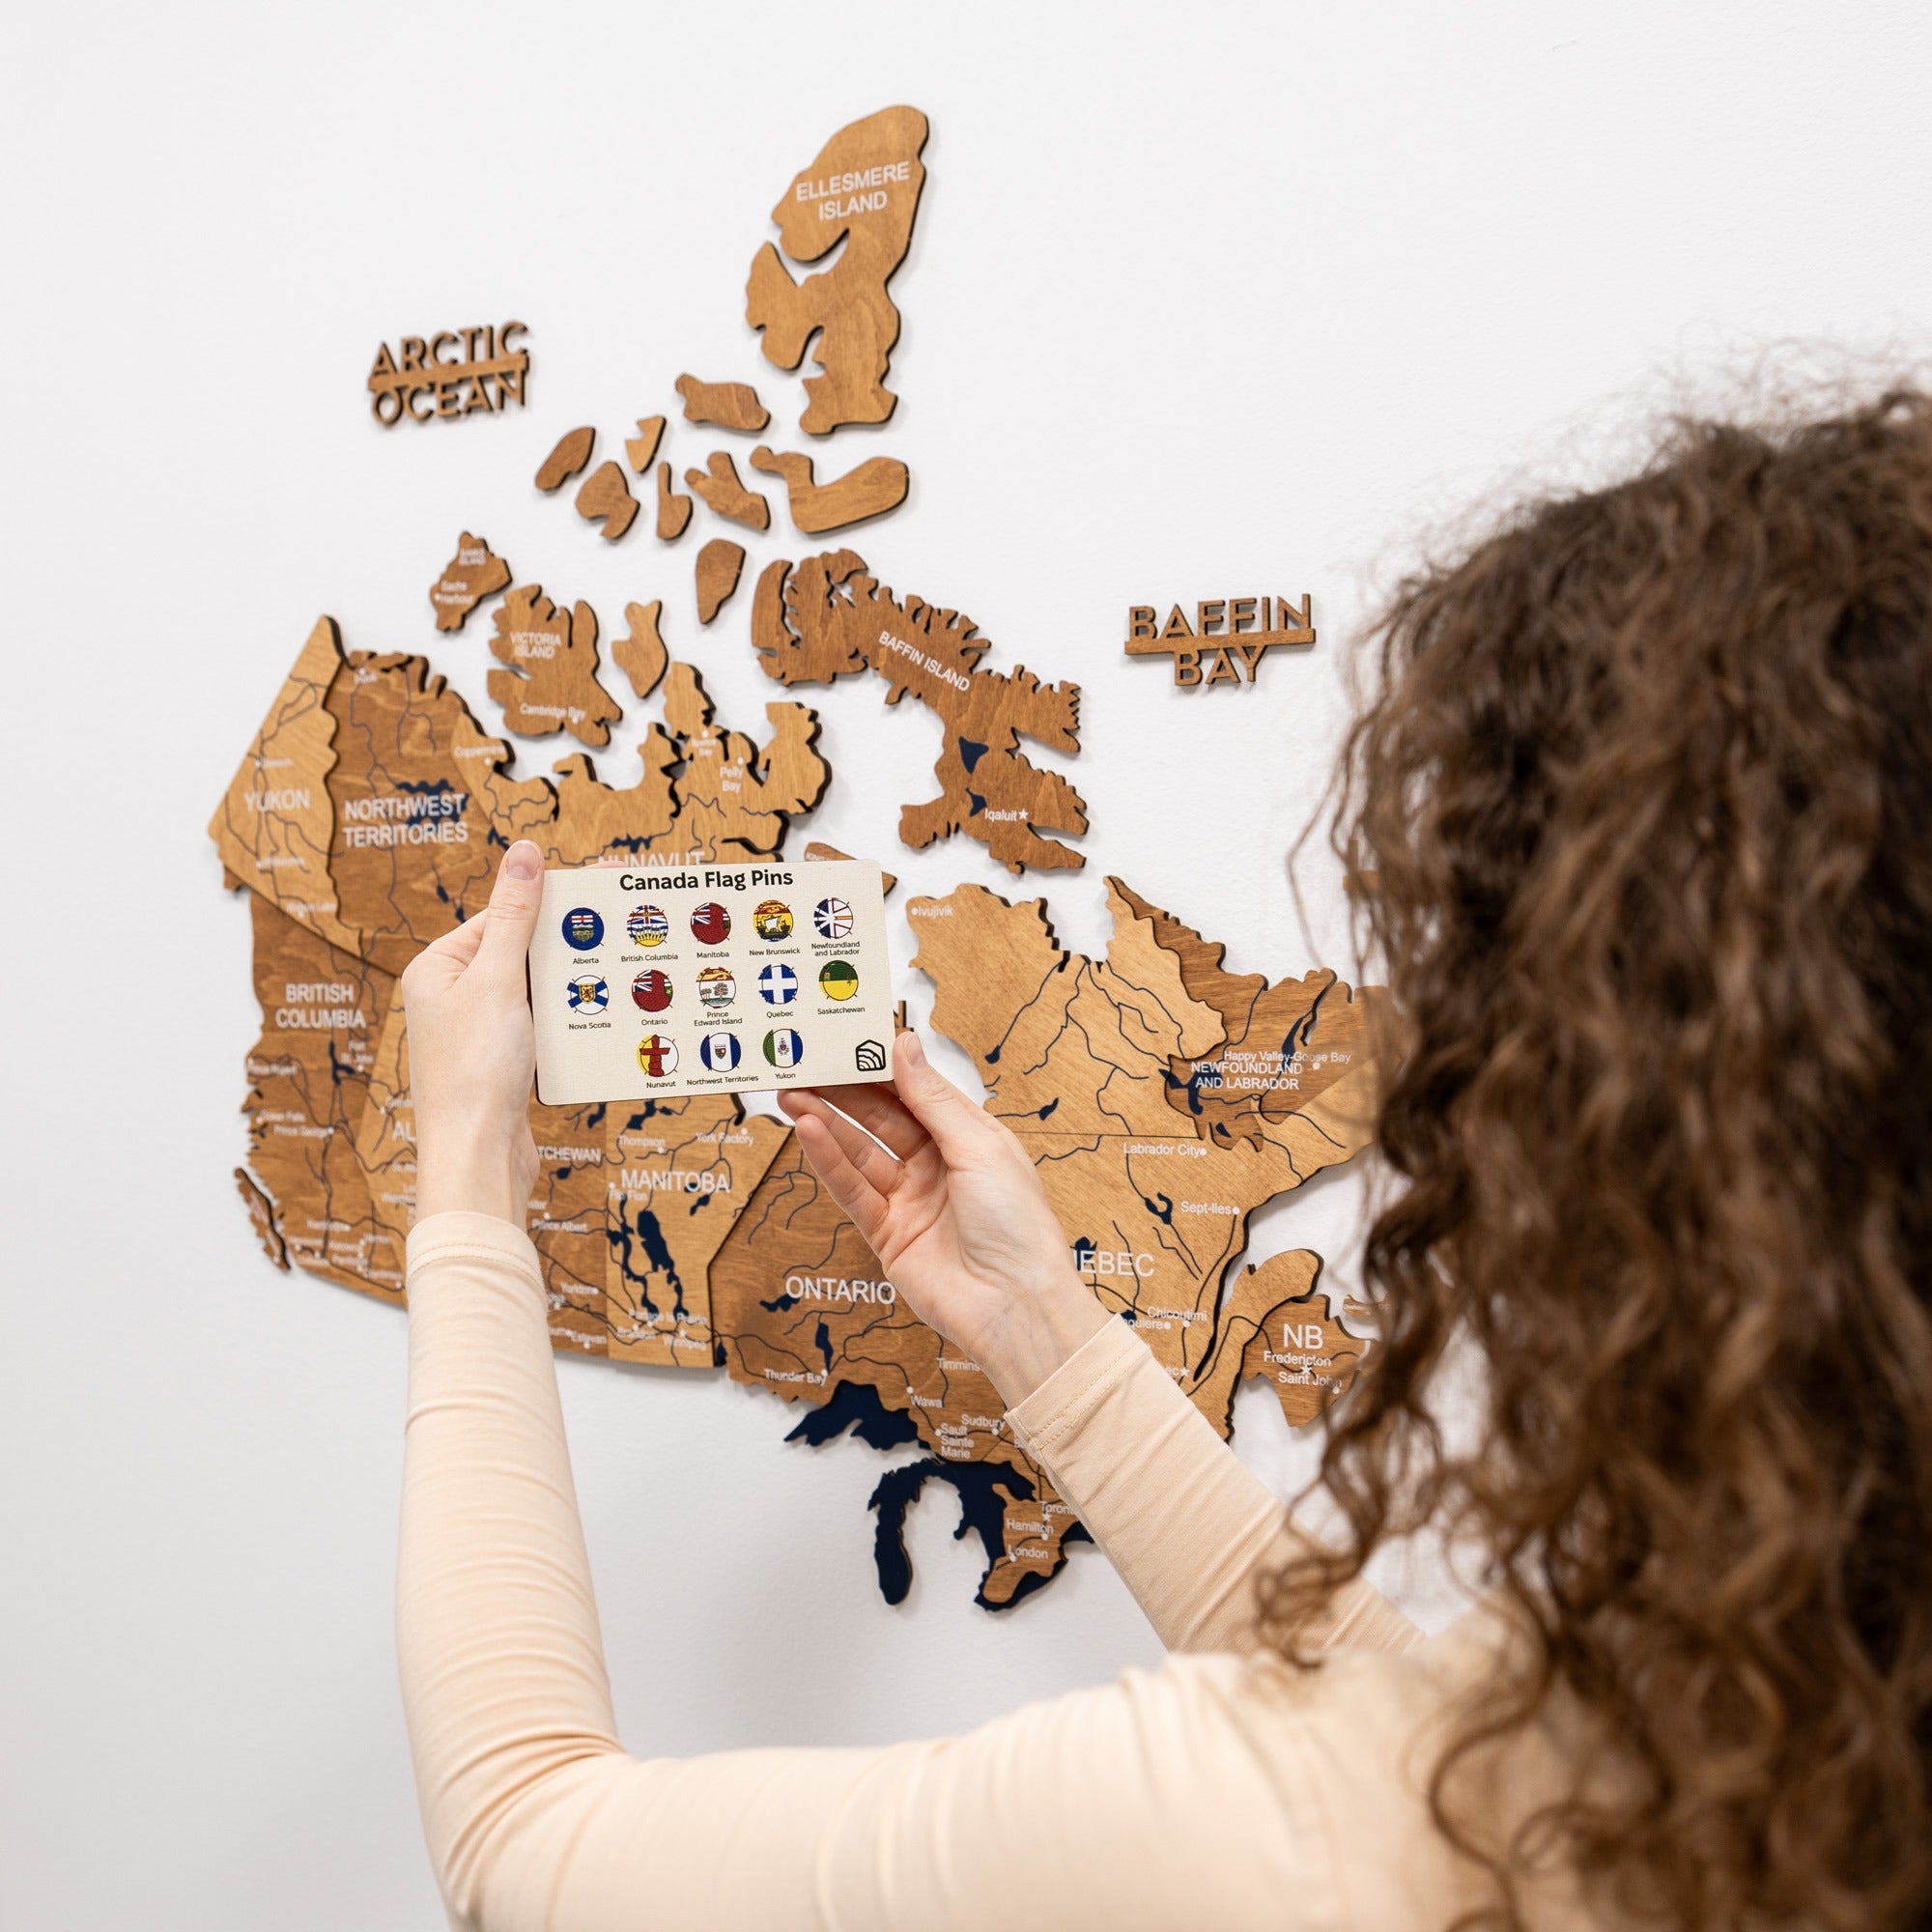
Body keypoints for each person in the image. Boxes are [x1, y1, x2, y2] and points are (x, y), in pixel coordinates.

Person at [396, 391, 1932, 1931]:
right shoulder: (1809, 1726)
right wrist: (1038, 1333)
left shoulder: (1390, 1822)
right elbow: (1402, 1747)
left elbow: (526, 1840)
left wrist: (465, 1175)